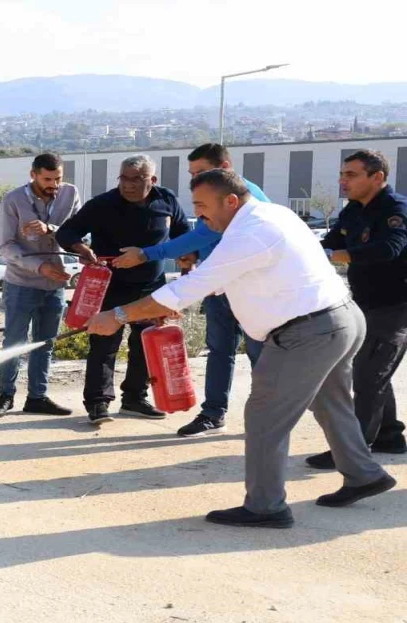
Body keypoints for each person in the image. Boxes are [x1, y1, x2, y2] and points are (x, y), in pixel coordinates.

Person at [85, 169, 396, 528]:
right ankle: (363, 474)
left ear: (231, 201)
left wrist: (118, 314)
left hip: (307, 333)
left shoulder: (249, 234)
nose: (199, 216)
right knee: (332, 403)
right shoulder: (272, 214)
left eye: (202, 206)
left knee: (265, 416)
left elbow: (191, 287)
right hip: (339, 320)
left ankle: (266, 506)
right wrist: (167, 302)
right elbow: (227, 278)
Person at [114, 143, 269, 438]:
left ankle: (268, 416)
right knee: (220, 351)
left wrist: (146, 254)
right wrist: (195, 255)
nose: (194, 179)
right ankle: (213, 413)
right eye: (191, 173)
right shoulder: (215, 197)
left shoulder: (243, 199)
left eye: (201, 172)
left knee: (260, 355)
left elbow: (203, 233)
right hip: (217, 291)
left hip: (247, 291)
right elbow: (207, 237)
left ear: (224, 169)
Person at [55, 154, 191, 424]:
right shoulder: (102, 204)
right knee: (104, 344)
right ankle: (98, 402)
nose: (128, 185)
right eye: (123, 179)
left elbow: (184, 234)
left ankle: (135, 398)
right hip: (110, 286)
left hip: (151, 288)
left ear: (152, 180)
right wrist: (81, 248)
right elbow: (66, 233)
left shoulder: (167, 201)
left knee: (145, 343)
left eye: (136, 180)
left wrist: (188, 259)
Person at [306, 150, 407, 469]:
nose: (342, 181)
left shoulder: (396, 210)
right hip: (365, 303)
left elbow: (388, 249)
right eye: (342, 174)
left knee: (367, 376)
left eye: (351, 175)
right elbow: (328, 243)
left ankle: (352, 451)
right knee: (372, 371)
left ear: (376, 178)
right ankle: (389, 435)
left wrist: (339, 255)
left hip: (396, 306)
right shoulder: (353, 210)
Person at [0, 153, 82, 418]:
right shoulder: (13, 200)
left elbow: (75, 231)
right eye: (47, 179)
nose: (54, 185)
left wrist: (50, 228)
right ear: (33, 175)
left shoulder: (70, 193)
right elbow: (6, 246)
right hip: (21, 282)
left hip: (55, 285)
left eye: (58, 179)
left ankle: (37, 397)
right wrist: (40, 267)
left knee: (45, 343)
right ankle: (5, 396)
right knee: (14, 341)